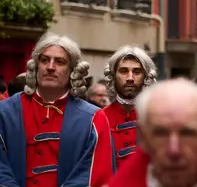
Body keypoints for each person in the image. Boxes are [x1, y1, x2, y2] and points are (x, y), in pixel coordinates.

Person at [0, 32, 113, 187]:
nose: (50, 67)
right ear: (36, 66)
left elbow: (92, 174)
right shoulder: (5, 112)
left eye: (59, 62)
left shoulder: (93, 119)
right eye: (45, 60)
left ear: (72, 70)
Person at [102, 45, 157, 169]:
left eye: (137, 72)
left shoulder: (158, 118)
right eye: (123, 71)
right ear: (113, 76)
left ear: (146, 77)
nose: (130, 78)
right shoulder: (99, 118)